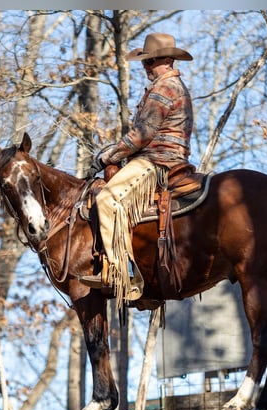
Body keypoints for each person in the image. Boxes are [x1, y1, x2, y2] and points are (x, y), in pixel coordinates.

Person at [79, 32, 194, 306]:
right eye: (145, 62)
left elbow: (142, 135)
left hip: (156, 161)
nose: (146, 67)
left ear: (167, 59)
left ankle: (124, 274)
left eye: (151, 61)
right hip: (164, 158)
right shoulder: (170, 87)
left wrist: (106, 155)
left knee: (107, 200)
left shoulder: (165, 89)